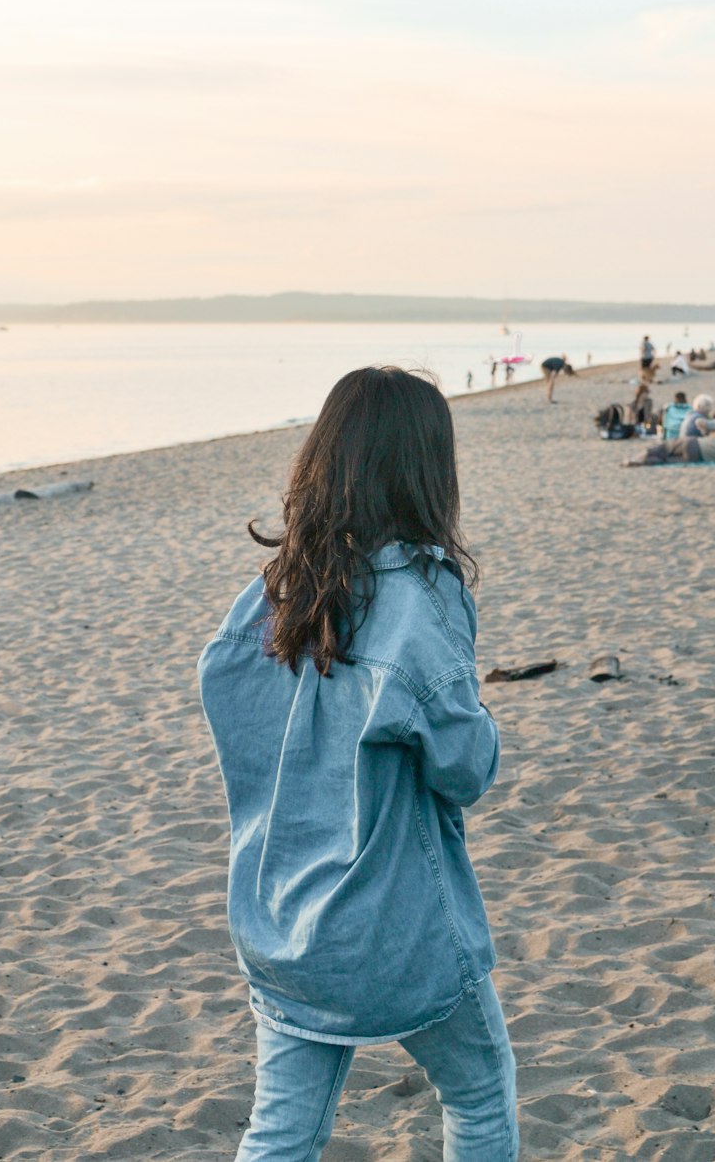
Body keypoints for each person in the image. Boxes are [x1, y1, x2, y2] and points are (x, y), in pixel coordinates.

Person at [197, 367, 518, 1162]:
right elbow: (465, 769)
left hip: (281, 920)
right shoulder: (423, 597)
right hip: (392, 928)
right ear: (425, 472)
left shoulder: (268, 597)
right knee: (480, 1093)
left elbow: (242, 733)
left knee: (282, 1132)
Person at [629, 414, 715, 465]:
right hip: (699, 458)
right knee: (665, 460)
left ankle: (635, 459)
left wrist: (706, 431)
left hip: (694, 444)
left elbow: (699, 421)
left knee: (662, 448)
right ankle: (643, 462)